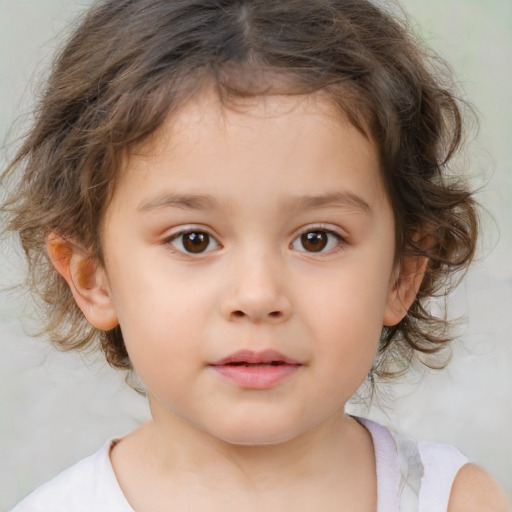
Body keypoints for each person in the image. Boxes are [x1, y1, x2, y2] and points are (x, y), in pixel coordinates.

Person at [1, 0, 509, 510]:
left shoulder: (454, 501)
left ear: (402, 274)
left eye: (317, 238)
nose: (258, 296)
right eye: (193, 240)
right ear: (93, 277)